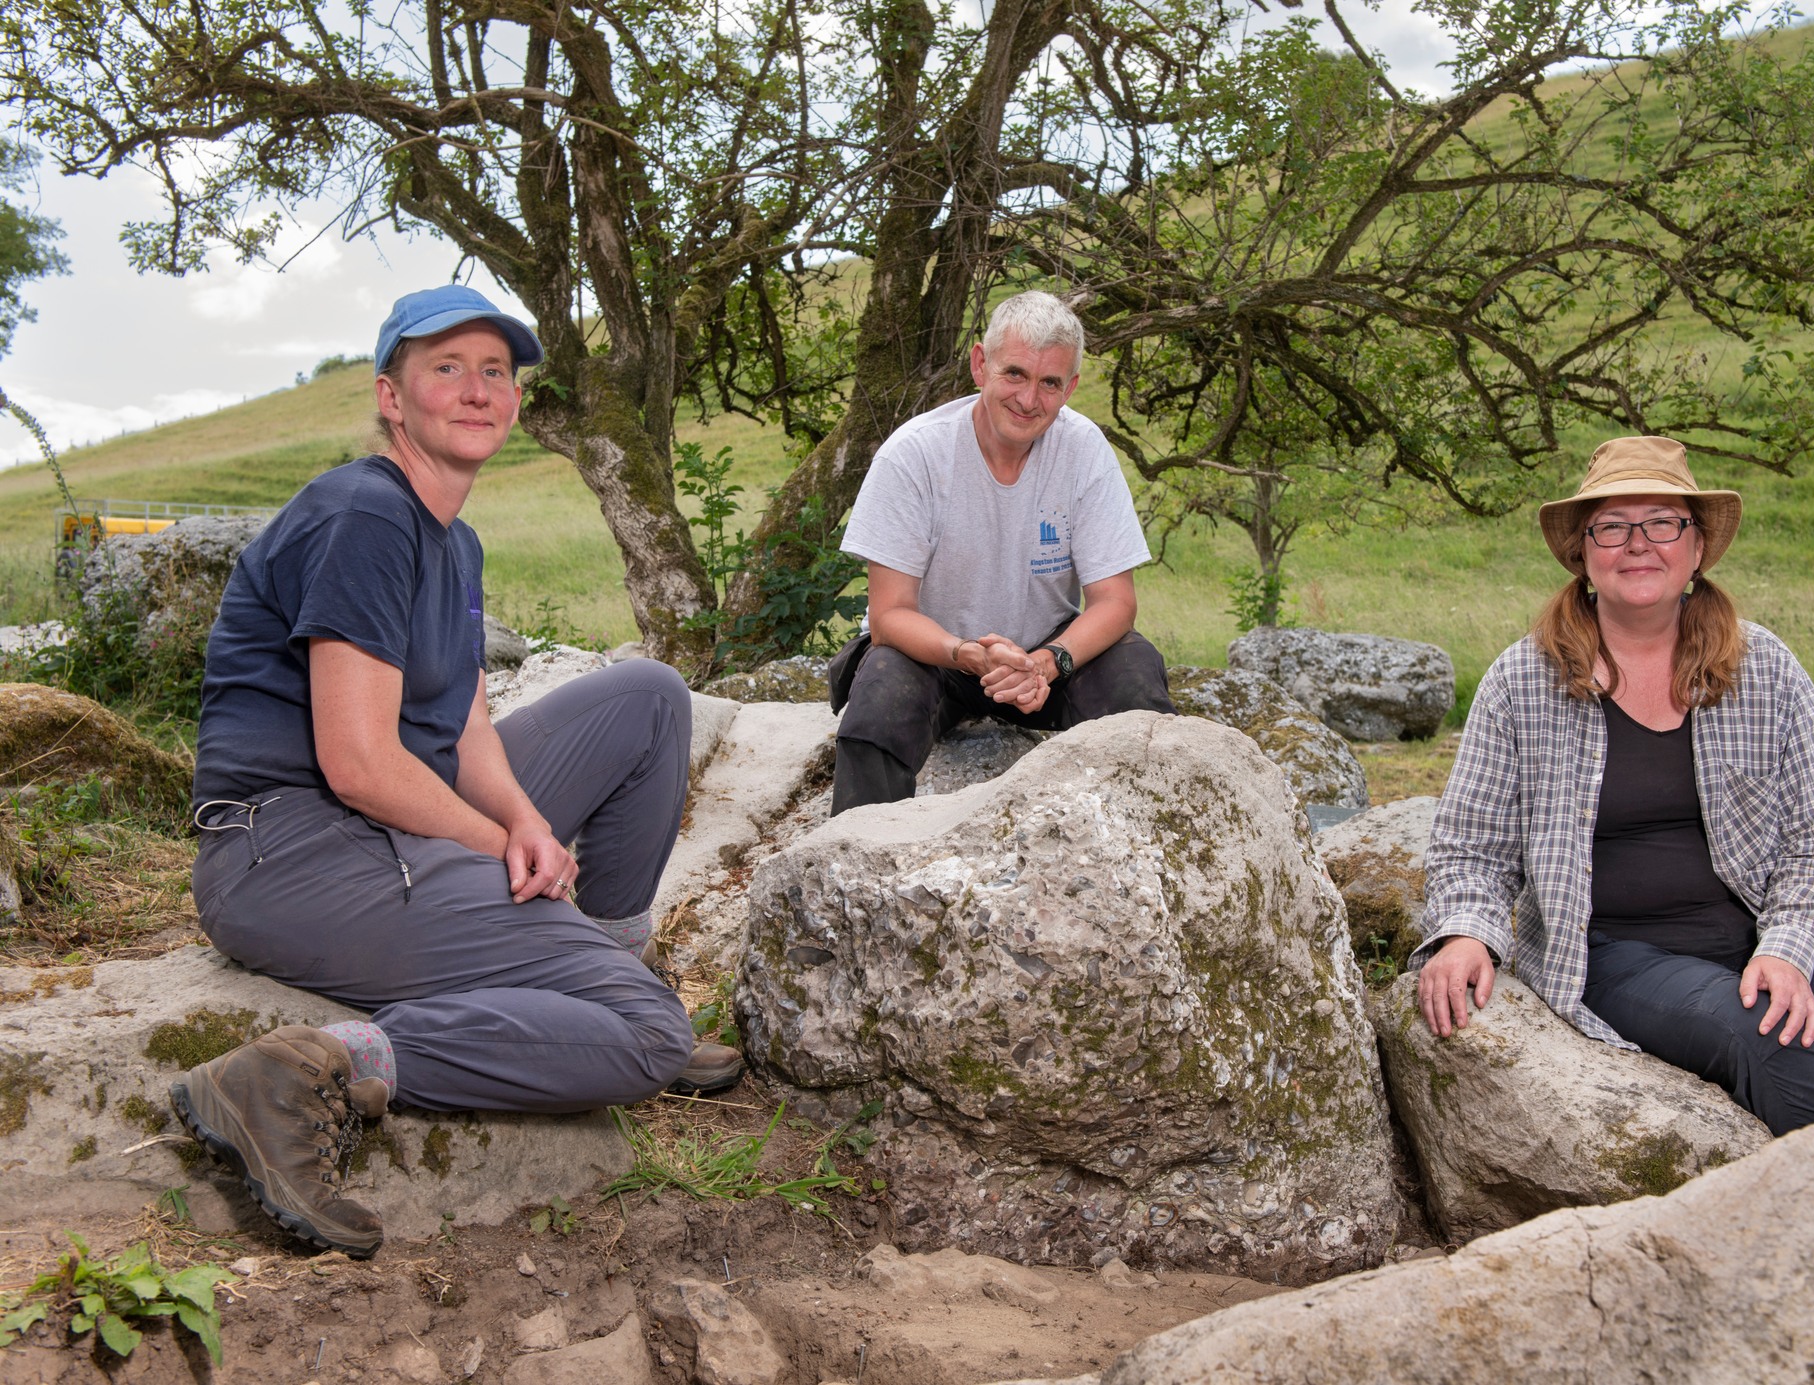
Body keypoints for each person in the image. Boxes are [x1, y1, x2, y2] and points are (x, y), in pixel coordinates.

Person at [169, 285, 743, 1259]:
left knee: (647, 694)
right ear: (393, 396)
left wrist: (518, 816)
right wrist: (502, 842)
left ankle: (596, 974)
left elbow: (466, 731)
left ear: (515, 401)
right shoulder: (365, 513)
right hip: (291, 848)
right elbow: (357, 763)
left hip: (385, 820)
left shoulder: (456, 539)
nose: (477, 390)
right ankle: (311, 1068)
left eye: (495, 372)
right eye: (447, 368)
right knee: (644, 1037)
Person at [1412, 436, 1814, 1136]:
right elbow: (1471, 845)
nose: (1638, 543)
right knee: (1776, 1039)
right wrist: (1466, 933)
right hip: (1618, 951)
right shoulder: (1520, 681)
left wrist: (1785, 945)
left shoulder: (1766, 667)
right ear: (1584, 553)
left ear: (1695, 546)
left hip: (1769, 920)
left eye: (1661, 521)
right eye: (1613, 526)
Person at [828, 291, 1175, 814]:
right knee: (881, 693)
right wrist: (967, 653)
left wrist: (1047, 663)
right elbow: (889, 615)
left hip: (1048, 656)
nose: (1029, 399)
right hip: (937, 653)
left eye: (1049, 382)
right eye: (1014, 373)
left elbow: (1114, 602)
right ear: (979, 364)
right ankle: (852, 857)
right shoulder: (914, 454)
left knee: (1136, 672)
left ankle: (1151, 848)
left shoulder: (1083, 450)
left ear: (1070, 388)